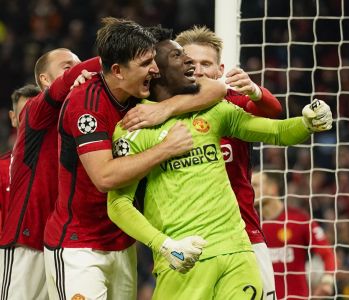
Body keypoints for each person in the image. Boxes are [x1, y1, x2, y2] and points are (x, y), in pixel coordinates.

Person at [107, 26, 333, 300]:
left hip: (237, 252)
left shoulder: (215, 110)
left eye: (201, 61)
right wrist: (165, 245)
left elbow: (276, 130)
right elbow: (118, 204)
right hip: (183, 259)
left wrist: (307, 123)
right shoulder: (134, 126)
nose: (190, 62)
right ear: (156, 70)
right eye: (179, 56)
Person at [43, 18, 224, 300]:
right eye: (145, 64)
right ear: (116, 71)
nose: (154, 69)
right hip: (79, 246)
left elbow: (217, 89)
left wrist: (165, 109)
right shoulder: (85, 103)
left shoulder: (141, 90)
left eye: (153, 60)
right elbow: (105, 178)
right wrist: (166, 148)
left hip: (124, 244)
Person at [174, 25, 281, 299]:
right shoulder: (157, 109)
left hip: (243, 234)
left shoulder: (233, 104)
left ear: (220, 70)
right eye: (189, 62)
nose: (197, 69)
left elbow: (273, 114)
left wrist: (256, 91)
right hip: (186, 239)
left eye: (205, 63)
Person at [0, 48, 101, 300]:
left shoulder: (80, 114)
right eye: (68, 67)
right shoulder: (36, 110)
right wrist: (120, 54)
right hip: (29, 239)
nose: (80, 71)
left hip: (66, 243)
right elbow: (67, 82)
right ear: (45, 80)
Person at [252, 171, 336, 299]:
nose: (250, 190)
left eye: (256, 185)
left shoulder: (299, 219)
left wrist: (327, 281)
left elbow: (327, 253)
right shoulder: (250, 224)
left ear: (272, 188)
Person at [0, 84, 41, 231]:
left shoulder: (63, 167)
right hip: (13, 250)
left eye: (38, 114)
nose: (31, 122)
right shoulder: (1, 170)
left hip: (55, 247)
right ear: (13, 118)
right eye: (24, 115)